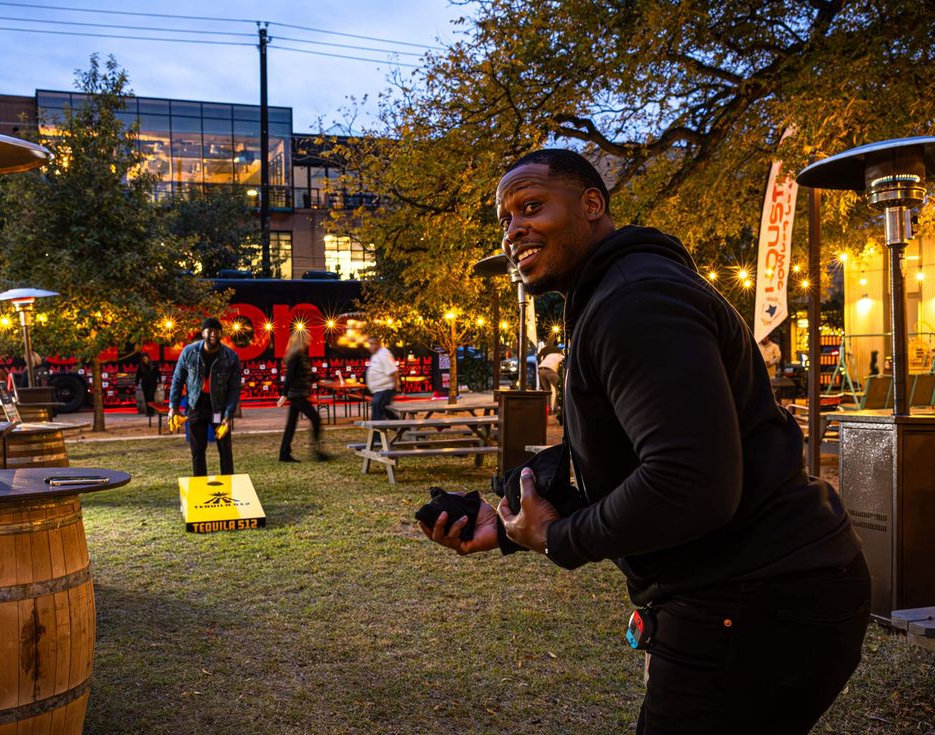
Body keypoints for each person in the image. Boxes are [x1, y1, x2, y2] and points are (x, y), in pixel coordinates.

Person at [421, 149, 869, 734]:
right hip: (740, 590)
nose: (513, 230)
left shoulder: (635, 301)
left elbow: (691, 485)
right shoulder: (617, 295)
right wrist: (514, 524)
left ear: (591, 204)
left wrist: (559, 537)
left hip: (758, 596)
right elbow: (647, 469)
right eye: (505, 219)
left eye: (531, 207)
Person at [168, 317, 242, 477]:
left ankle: (228, 486)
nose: (213, 334)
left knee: (225, 450)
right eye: (209, 331)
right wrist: (172, 407)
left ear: (221, 334)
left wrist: (229, 414)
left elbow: (234, 388)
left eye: (217, 331)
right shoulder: (189, 352)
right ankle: (200, 488)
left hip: (219, 407)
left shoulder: (231, 357)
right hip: (196, 405)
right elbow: (178, 379)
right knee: (197, 450)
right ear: (203, 333)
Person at [276, 329, 328, 462]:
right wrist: (284, 395)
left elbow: (303, 373)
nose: (310, 340)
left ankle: (284, 454)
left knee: (291, 424)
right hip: (297, 394)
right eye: (308, 337)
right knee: (315, 419)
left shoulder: (300, 354)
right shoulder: (296, 356)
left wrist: (318, 379)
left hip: (298, 393)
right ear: (301, 339)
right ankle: (317, 451)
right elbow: (290, 376)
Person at [366, 336, 400, 421]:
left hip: (385, 389)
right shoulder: (376, 355)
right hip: (379, 390)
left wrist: (396, 387)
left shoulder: (383, 354)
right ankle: (401, 428)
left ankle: (377, 432)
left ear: (378, 344)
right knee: (384, 411)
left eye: (372, 344)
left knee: (378, 413)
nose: (370, 346)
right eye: (369, 344)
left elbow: (393, 372)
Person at [537, 349, 563, 420]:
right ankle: (556, 408)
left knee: (547, 391)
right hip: (550, 370)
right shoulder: (561, 356)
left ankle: (547, 409)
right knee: (560, 388)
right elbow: (562, 368)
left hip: (540, 370)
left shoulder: (550, 355)